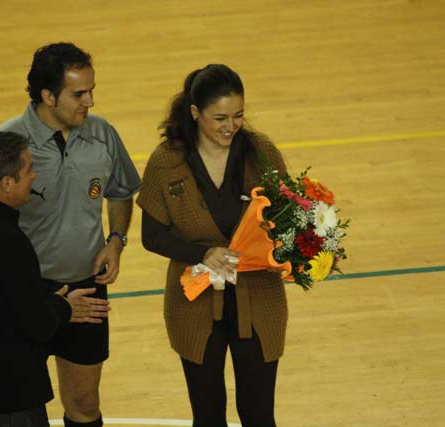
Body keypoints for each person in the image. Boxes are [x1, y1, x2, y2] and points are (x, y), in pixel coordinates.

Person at [0, 42, 141, 427]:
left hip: (87, 289)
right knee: (19, 405)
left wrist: (116, 241)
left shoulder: (103, 134)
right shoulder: (6, 145)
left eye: (91, 90)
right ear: (47, 95)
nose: (89, 101)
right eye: (78, 93)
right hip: (25, 296)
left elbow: (121, 190)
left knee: (85, 403)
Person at [136, 64, 288, 427]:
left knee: (259, 415)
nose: (229, 126)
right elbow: (151, 236)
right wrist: (202, 253)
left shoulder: (261, 152)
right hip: (194, 303)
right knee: (207, 415)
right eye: (219, 117)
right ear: (194, 113)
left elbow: (289, 215)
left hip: (260, 300)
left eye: (238, 116)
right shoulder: (166, 161)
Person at [0, 131, 109, 426]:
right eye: (28, 169)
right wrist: (64, 306)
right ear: (6, 183)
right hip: (6, 397)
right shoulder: (8, 240)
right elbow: (37, 324)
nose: (34, 175)